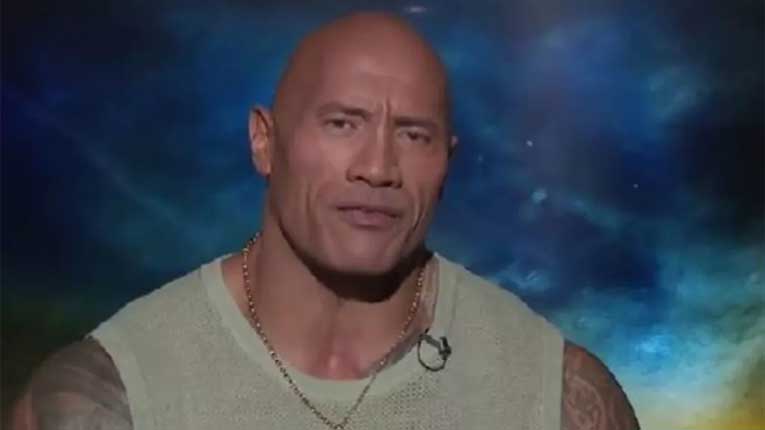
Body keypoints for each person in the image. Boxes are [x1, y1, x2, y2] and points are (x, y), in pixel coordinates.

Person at [10, 11, 639, 430]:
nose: (378, 167)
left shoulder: (553, 397)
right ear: (264, 141)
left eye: (413, 135)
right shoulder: (117, 392)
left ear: (446, 162)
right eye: (342, 124)